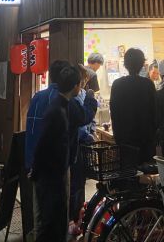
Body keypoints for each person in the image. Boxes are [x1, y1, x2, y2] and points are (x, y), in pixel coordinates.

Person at [30, 66, 81, 242]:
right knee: (51, 224)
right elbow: (43, 143)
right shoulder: (57, 110)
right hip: (50, 177)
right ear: (76, 86)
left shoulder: (61, 105)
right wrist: (36, 172)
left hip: (53, 175)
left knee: (54, 223)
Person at [25, 59, 97, 172]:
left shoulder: (37, 97)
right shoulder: (66, 100)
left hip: (34, 160)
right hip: (56, 164)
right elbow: (81, 128)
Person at [110, 48, 157, 164]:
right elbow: (155, 112)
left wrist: (117, 136)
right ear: (142, 64)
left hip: (125, 140)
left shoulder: (117, 85)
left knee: (128, 175)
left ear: (125, 64)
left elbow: (114, 113)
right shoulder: (148, 84)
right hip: (146, 140)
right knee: (147, 176)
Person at [69, 65, 97, 228]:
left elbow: (89, 120)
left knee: (79, 184)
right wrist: (87, 135)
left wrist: (92, 130)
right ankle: (73, 219)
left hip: (81, 146)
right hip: (76, 145)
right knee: (75, 185)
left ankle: (77, 218)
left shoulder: (84, 94)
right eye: (85, 78)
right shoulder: (73, 98)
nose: (86, 82)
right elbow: (81, 121)